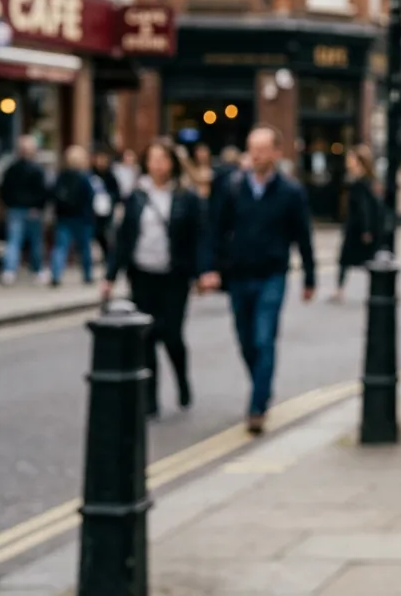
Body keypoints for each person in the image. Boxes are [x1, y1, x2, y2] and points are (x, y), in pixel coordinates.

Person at [204, 126, 316, 435]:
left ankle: (257, 406)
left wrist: (310, 276)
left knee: (263, 339)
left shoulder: (290, 192)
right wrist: (210, 268)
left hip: (272, 275)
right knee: (245, 340)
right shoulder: (233, 187)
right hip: (238, 275)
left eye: (263, 150)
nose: (256, 155)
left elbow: (303, 236)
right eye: (252, 149)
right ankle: (262, 385)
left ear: (277, 153)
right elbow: (216, 229)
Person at [102, 138, 211, 417]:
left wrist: (203, 273)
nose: (158, 164)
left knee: (172, 336)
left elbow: (199, 237)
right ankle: (149, 399)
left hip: (174, 277)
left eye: (163, 159)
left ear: (172, 163)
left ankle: (182, 382)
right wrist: (110, 276)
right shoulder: (136, 196)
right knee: (146, 337)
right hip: (142, 275)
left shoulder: (186, 197)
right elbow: (124, 239)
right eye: (153, 159)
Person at [0, 136, 49, 285]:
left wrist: (8, 204)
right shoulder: (37, 170)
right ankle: (37, 270)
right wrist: (38, 206)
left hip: (15, 208)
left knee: (14, 241)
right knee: (35, 241)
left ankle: (9, 271)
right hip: (32, 210)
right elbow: (42, 191)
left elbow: (4, 190)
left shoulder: (11, 168)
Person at [332, 145, 381, 302]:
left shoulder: (361, 182)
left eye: (351, 159)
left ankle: (378, 289)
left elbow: (365, 207)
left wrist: (366, 230)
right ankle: (340, 290)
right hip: (356, 226)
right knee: (354, 261)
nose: (348, 162)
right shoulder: (359, 179)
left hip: (357, 228)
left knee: (358, 261)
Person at [50, 145, 97, 287]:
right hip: (82, 218)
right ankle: (87, 275)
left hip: (64, 217)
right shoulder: (85, 177)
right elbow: (91, 196)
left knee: (60, 247)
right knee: (84, 248)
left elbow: (53, 195)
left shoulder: (61, 176)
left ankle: (56, 274)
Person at [90, 148, 122, 267]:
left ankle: (108, 256)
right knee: (96, 233)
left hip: (108, 210)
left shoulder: (111, 176)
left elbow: (117, 193)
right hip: (93, 211)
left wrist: (110, 200)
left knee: (106, 234)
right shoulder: (90, 175)